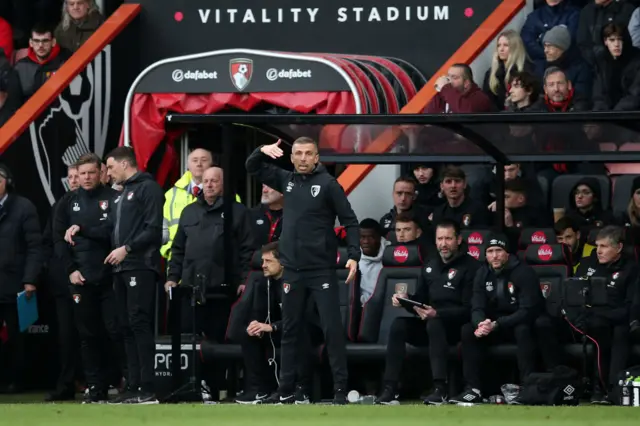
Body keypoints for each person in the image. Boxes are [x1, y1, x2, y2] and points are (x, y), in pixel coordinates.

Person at [245, 137, 360, 405]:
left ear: (317, 157)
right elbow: (252, 167)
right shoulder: (286, 180)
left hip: (321, 269)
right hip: (292, 270)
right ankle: (285, 390)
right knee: (291, 331)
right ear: (292, 157)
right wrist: (260, 149)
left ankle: (340, 391)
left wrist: (354, 256)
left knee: (332, 329)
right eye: (298, 154)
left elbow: (350, 221)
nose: (304, 158)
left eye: (309, 154)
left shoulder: (329, 185)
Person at [377, 220, 479, 405]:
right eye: (440, 239)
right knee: (399, 325)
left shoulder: (471, 267)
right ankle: (390, 388)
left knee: (434, 323)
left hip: (457, 329)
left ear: (459, 240)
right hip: (432, 326)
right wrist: (406, 300)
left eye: (448, 238)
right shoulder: (430, 265)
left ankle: (440, 388)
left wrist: (437, 313)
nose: (444, 243)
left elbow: (470, 309)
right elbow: (421, 300)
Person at [56, 153, 121, 403]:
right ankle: (96, 389)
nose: (86, 178)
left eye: (91, 173)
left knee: (114, 332)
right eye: (82, 173)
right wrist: (70, 269)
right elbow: (57, 240)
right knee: (87, 336)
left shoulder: (114, 199)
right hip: (80, 279)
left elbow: (114, 233)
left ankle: (122, 382)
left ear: (102, 173)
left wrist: (85, 230)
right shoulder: (67, 202)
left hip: (110, 278)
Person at [450, 235, 544, 405]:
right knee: (467, 330)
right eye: (490, 252)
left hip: (516, 324)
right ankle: (473, 389)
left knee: (523, 329)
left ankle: (526, 389)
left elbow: (528, 311)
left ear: (507, 253)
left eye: (498, 251)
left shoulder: (524, 272)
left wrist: (497, 324)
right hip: (493, 326)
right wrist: (480, 323)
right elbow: (476, 306)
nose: (494, 256)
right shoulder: (482, 273)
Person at [103, 147, 164, 404]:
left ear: (126, 164)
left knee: (139, 323)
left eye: (111, 167)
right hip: (121, 267)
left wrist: (126, 249)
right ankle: (134, 385)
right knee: (126, 326)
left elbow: (153, 229)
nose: (108, 173)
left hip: (140, 265)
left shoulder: (147, 189)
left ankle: (148, 387)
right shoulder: (122, 193)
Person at [165, 166, 254, 340]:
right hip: (191, 289)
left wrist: (245, 280)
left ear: (223, 184)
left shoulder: (237, 211)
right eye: (206, 181)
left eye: (214, 181)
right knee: (189, 339)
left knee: (220, 341)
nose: (209, 185)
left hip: (223, 291)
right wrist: (172, 278)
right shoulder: (189, 211)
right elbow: (178, 249)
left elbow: (247, 249)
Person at [235, 242, 316, 405]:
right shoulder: (264, 283)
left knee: (299, 334)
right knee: (247, 335)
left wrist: (273, 326)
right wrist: (255, 325)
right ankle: (259, 390)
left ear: (283, 262)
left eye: (268, 261)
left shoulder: (298, 283)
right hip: (279, 331)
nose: (263, 265)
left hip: (304, 330)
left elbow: (303, 318)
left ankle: (301, 390)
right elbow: (258, 312)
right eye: (262, 261)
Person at [568, 226, 634, 403]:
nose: (599, 251)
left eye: (604, 246)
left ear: (619, 247)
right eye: (597, 246)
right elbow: (573, 296)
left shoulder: (631, 269)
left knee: (619, 331)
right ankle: (596, 389)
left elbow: (631, 306)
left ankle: (610, 390)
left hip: (617, 320)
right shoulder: (587, 264)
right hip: (586, 320)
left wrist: (605, 315)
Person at [0, 163, 41, 394]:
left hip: (15, 283)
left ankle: (18, 381)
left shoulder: (24, 207)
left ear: (8, 182)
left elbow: (35, 247)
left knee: (17, 337)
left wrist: (30, 279)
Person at [43, 164, 81, 402]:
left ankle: (100, 382)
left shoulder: (101, 201)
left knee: (95, 333)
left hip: (93, 279)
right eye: (71, 176)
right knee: (66, 336)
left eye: (79, 175)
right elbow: (50, 241)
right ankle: (66, 385)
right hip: (63, 282)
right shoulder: (60, 205)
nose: (75, 180)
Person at [13, 23, 70, 100]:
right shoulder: (20, 66)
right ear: (31, 43)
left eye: (45, 41)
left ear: (53, 42)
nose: (40, 45)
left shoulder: (65, 62)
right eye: (36, 41)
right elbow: (14, 100)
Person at [359, 219, 390, 305]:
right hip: (361, 307)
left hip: (387, 304)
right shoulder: (353, 258)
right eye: (362, 237)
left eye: (371, 237)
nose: (366, 241)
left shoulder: (390, 254)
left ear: (379, 237)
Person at [251, 184, 284, 248]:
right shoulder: (251, 215)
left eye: (270, 187)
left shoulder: (295, 217)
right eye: (263, 186)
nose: (264, 190)